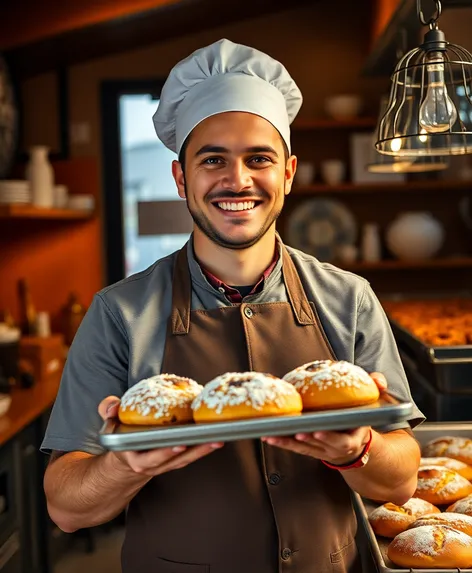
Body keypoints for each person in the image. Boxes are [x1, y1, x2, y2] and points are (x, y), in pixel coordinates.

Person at [42, 39, 424, 573]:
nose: (237, 180)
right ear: (181, 178)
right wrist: (124, 465)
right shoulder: (119, 313)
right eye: (213, 159)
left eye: (258, 159)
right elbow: (65, 507)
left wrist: (355, 449)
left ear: (287, 173)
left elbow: (402, 478)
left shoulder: (349, 297)